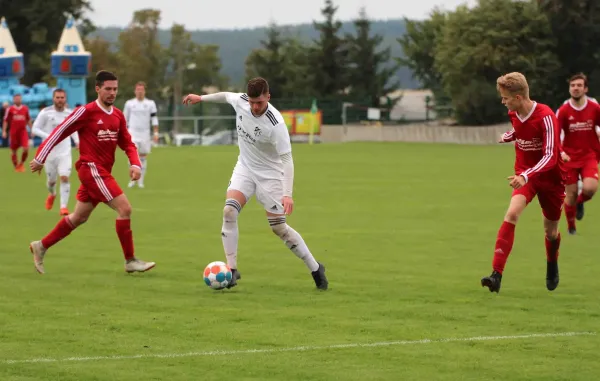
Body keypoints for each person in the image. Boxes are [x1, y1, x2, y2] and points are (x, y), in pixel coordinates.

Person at [182, 77, 328, 290]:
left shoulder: (275, 124)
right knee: (229, 212)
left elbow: (287, 160)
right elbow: (224, 96)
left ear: (268, 97)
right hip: (246, 168)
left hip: (271, 176)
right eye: (251, 102)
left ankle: (315, 267)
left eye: (259, 102)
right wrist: (201, 98)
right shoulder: (241, 101)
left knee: (279, 228)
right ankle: (232, 270)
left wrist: (287, 194)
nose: (254, 107)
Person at [28, 70, 156, 275]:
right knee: (125, 209)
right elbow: (59, 131)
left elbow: (127, 143)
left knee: (78, 217)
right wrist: (40, 157)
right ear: (97, 89)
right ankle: (130, 260)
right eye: (108, 89)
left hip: (102, 172)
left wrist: (135, 164)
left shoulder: (117, 115)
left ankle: (41, 246)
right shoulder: (85, 112)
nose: (112, 93)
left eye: (115, 89)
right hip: (91, 169)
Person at [481, 72, 564, 293]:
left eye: (505, 97)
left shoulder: (546, 116)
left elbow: (550, 157)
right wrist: (509, 136)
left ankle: (552, 263)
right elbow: (521, 130)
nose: (503, 101)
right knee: (512, 214)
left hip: (551, 179)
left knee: (551, 232)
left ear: (518, 98)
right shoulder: (514, 113)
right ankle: (496, 275)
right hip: (524, 175)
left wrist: (526, 175)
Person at [557, 73, 600, 233]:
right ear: (569, 89)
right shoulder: (563, 111)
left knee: (590, 188)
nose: (575, 88)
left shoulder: (595, 108)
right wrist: (560, 153)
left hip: (590, 156)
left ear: (585, 88)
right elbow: (555, 135)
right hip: (569, 159)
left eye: (579, 85)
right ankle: (571, 227)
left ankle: (580, 202)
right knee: (571, 194)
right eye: (573, 85)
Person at [32, 89, 80, 216]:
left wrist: (77, 141)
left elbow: (74, 129)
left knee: (64, 177)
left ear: (65, 99)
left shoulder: (70, 114)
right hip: (49, 153)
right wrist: (49, 136)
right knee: (51, 181)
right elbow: (34, 128)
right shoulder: (45, 113)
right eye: (57, 97)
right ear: (53, 98)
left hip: (64, 152)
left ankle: (63, 207)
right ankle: (52, 194)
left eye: (62, 97)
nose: (60, 100)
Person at [123, 81, 159, 188]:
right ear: (135, 91)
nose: (139, 92)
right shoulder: (129, 104)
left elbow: (154, 119)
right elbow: (124, 119)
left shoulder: (150, 104)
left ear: (144, 91)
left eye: (141, 90)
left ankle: (141, 181)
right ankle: (132, 179)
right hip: (132, 132)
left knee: (143, 157)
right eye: (138, 90)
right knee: (133, 156)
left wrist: (156, 132)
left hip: (145, 133)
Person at [2, 94, 32, 172]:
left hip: (23, 132)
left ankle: (21, 163)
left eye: (19, 99)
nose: (17, 100)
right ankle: (16, 166)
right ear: (13, 100)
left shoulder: (25, 108)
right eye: (16, 99)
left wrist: (32, 129)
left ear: (21, 99)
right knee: (14, 150)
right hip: (14, 132)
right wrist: (4, 131)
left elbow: (28, 120)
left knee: (26, 149)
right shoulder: (10, 109)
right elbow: (5, 120)